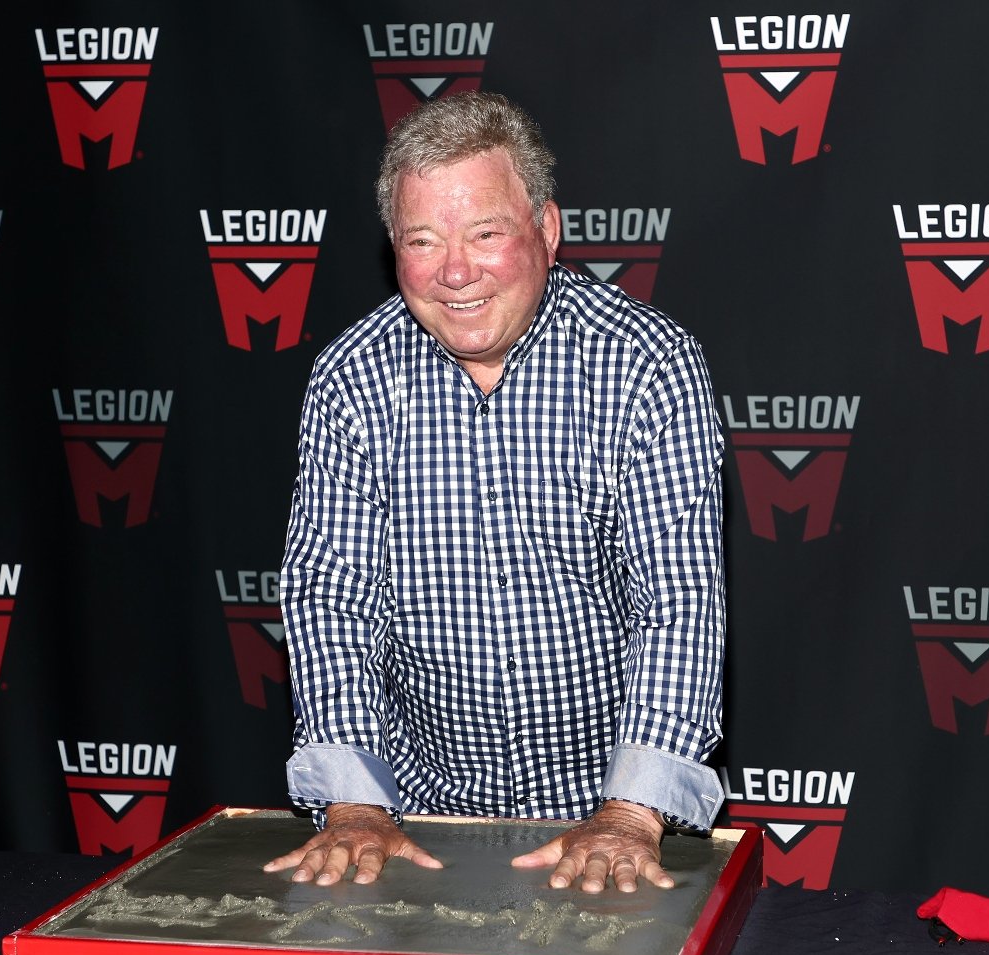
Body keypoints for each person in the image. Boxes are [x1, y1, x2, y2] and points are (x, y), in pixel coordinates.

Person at [265, 91, 725, 894]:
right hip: (417, 824)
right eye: (422, 240)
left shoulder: (647, 366)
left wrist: (628, 813)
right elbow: (331, 598)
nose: (454, 271)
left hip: (618, 820)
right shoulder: (350, 378)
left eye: (485, 233)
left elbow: (677, 603)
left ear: (545, 230)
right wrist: (355, 803)